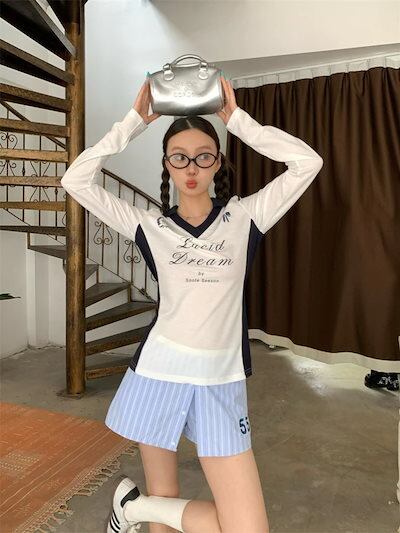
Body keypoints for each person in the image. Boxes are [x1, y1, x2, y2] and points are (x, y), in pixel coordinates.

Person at [60, 75, 324, 533]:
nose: (191, 167)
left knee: (247, 528)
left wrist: (237, 120)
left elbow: (308, 163)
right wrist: (132, 124)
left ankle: (132, 510)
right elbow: (75, 180)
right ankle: (146, 510)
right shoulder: (148, 226)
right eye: (179, 157)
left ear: (217, 162)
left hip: (221, 380)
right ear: (167, 163)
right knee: (165, 502)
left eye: (204, 156)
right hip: (158, 373)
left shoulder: (245, 217)